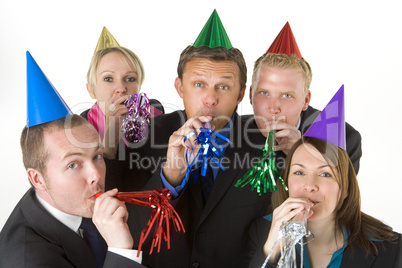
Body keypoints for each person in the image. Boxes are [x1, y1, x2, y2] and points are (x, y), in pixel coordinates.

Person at [109, 10, 272, 267]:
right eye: (199, 84)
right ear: (179, 87)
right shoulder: (145, 137)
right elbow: (129, 227)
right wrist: (170, 176)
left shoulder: (265, 141)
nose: (210, 99)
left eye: (224, 86)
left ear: (241, 93)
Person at [0, 52, 145, 267]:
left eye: (96, 156)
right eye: (73, 164)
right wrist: (121, 251)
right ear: (37, 179)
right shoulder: (27, 259)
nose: (95, 174)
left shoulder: (74, 201)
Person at [248, 87, 401, 267]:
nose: (310, 185)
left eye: (325, 174)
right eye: (299, 172)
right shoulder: (261, 233)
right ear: (287, 181)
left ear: (345, 188)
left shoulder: (391, 249)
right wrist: (273, 249)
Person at [243, 22, 362, 174]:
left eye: (286, 95)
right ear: (250, 95)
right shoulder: (235, 132)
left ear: (306, 100)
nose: (273, 108)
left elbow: (342, 196)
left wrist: (299, 152)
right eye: (264, 93)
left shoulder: (343, 137)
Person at [81, 27, 163, 161]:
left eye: (130, 79)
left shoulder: (157, 119)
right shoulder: (79, 132)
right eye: (108, 79)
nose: (121, 88)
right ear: (91, 90)